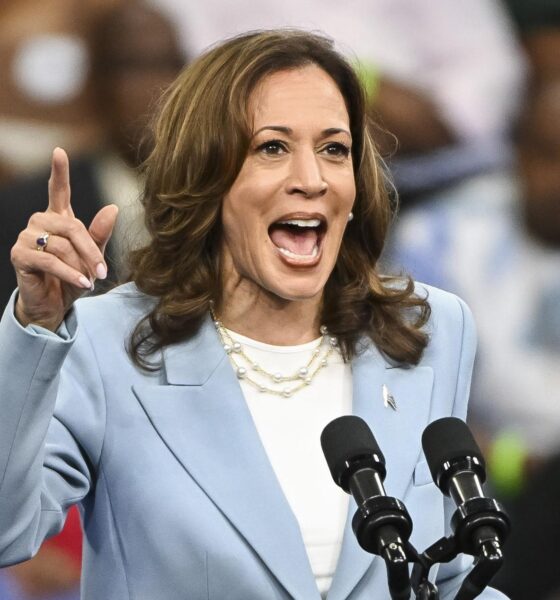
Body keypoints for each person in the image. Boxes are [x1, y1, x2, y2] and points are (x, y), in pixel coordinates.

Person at [0, 30, 506, 599]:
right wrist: (36, 329)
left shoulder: (429, 330)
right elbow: (7, 532)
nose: (311, 179)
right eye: (272, 147)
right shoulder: (105, 343)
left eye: (334, 149)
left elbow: (450, 574)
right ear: (205, 173)